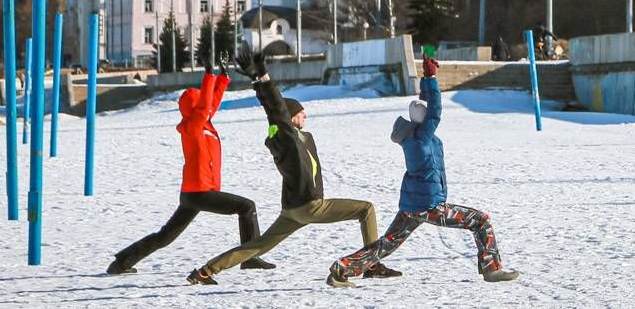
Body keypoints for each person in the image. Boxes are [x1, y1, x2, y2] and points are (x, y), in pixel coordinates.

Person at [186, 44, 399, 285]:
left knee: (258, 246)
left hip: (292, 209)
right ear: (290, 117)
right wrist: (263, 76)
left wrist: (258, 83)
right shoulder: (287, 138)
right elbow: (276, 109)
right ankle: (370, 264)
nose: (305, 115)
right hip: (309, 205)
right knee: (366, 209)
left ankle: (205, 271)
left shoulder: (293, 136)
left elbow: (274, 112)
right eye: (300, 112)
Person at [325, 55, 520, 288]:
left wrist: (426, 79)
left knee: (388, 242)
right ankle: (492, 269)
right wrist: (433, 78)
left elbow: (426, 107)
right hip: (429, 205)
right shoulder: (422, 137)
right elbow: (435, 111)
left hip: (412, 204)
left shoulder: (414, 134)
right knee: (480, 220)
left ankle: (342, 267)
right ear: (424, 120)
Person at [106, 56, 275, 275]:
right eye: (200, 105)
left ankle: (121, 262)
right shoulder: (193, 127)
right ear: (194, 108)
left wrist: (222, 77)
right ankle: (250, 257)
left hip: (195, 192)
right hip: (199, 191)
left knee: (165, 236)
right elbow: (206, 104)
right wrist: (209, 75)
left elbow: (211, 103)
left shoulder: (203, 122)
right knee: (247, 207)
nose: (207, 109)